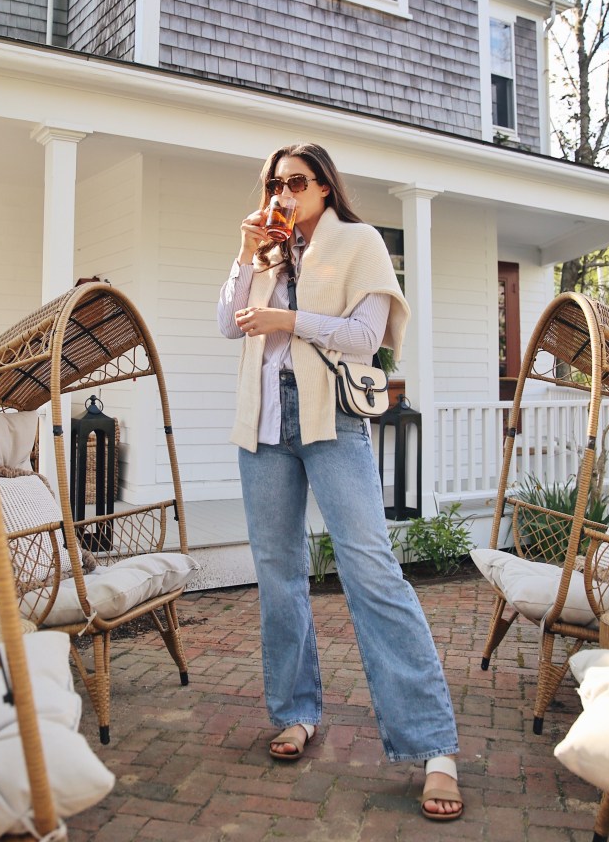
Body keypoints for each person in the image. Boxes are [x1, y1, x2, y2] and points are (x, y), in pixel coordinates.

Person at [217, 143, 463, 822]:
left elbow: (365, 336)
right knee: (277, 573)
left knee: (371, 572)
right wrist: (245, 254)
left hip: (332, 421)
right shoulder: (264, 253)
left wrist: (287, 321)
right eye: (273, 183)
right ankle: (294, 713)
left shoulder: (357, 243)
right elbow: (224, 324)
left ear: (324, 187)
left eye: (296, 182)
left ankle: (434, 747)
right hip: (263, 427)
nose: (283, 194)